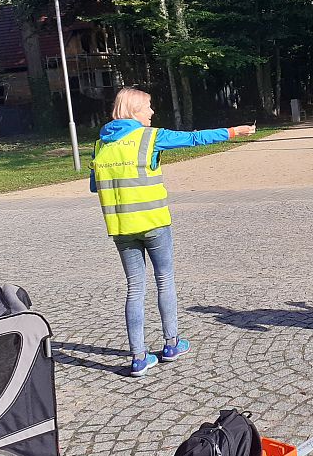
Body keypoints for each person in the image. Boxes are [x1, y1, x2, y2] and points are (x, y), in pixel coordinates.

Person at [90, 87, 255, 376]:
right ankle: (171, 344)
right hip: (154, 223)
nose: (152, 112)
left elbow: (95, 186)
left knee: (134, 288)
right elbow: (193, 138)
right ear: (135, 111)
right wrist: (232, 132)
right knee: (164, 280)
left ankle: (138, 358)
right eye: (148, 107)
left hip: (121, 229)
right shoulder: (149, 137)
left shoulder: (100, 145)